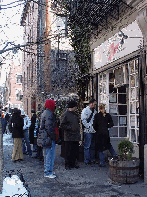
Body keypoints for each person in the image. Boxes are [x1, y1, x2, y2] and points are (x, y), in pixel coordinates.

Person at [60, 100, 81, 170]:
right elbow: (62, 125)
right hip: (69, 136)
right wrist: (70, 128)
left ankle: (73, 163)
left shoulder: (75, 114)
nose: (76, 108)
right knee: (68, 151)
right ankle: (67, 164)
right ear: (73, 107)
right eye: (75, 107)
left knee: (74, 150)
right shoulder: (65, 114)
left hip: (75, 136)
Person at [40, 99, 56, 178]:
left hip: (45, 137)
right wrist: (54, 137)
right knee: (50, 155)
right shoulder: (49, 114)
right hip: (49, 138)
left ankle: (47, 170)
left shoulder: (44, 113)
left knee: (46, 155)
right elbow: (49, 127)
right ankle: (48, 172)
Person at [81, 99, 97, 165]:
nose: (95, 105)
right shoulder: (85, 110)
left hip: (93, 131)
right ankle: (87, 160)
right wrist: (89, 126)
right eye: (95, 104)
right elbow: (83, 121)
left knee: (92, 146)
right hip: (88, 131)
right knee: (87, 146)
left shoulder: (95, 111)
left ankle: (92, 159)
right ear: (91, 103)